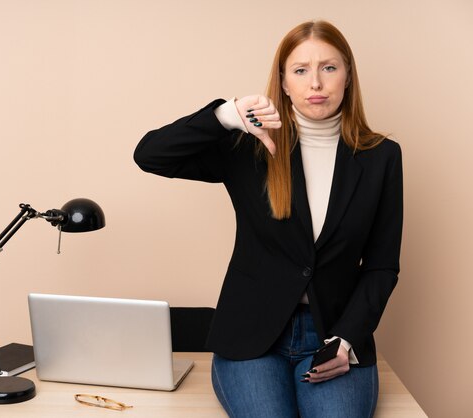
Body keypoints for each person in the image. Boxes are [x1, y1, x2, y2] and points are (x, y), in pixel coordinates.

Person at [134, 20, 402, 418]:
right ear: (283, 81)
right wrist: (225, 115)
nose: (316, 83)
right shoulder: (248, 145)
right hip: (251, 336)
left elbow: (381, 266)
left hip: (333, 335)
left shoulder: (381, 156)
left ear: (348, 76)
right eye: (300, 70)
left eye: (329, 68)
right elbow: (150, 155)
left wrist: (348, 339)